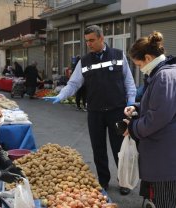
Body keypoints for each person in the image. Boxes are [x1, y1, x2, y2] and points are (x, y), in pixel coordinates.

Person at [44, 25, 136, 195]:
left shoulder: (118, 55)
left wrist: (130, 103)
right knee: (98, 148)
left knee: (120, 148)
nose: (89, 44)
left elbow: (129, 82)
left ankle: (124, 181)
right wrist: (61, 95)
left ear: (102, 38)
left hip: (117, 111)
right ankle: (103, 181)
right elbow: (74, 83)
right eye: (87, 41)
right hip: (95, 113)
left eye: (92, 40)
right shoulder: (84, 61)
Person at [123, 32, 176, 208]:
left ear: (148, 58)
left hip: (168, 149)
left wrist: (132, 128)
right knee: (166, 192)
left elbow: (156, 119)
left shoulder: (165, 77)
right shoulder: (165, 72)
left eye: (139, 65)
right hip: (171, 146)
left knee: (164, 193)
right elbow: (161, 106)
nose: (140, 69)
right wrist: (139, 107)